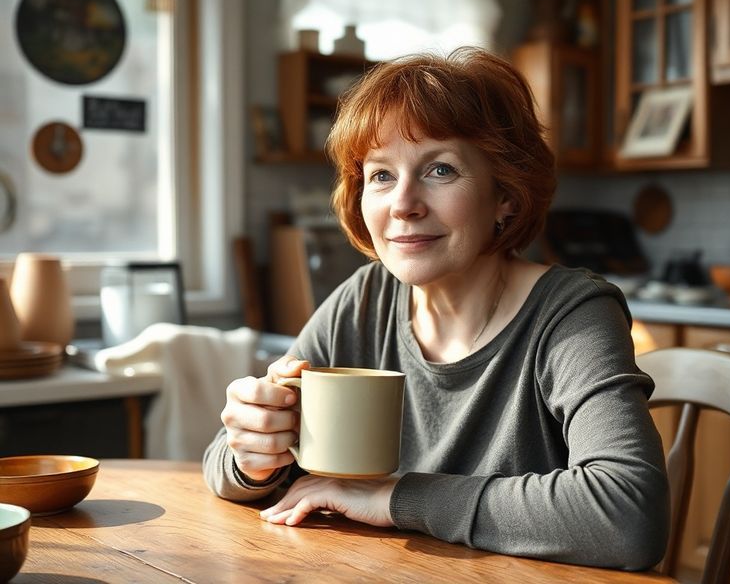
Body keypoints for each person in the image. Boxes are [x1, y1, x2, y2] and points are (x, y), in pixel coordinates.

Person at [203, 47, 669, 570]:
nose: (403, 203)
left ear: (505, 196)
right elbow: (223, 463)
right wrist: (252, 458)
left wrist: (395, 498)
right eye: (380, 175)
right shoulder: (364, 299)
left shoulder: (571, 315)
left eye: (441, 169)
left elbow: (628, 514)